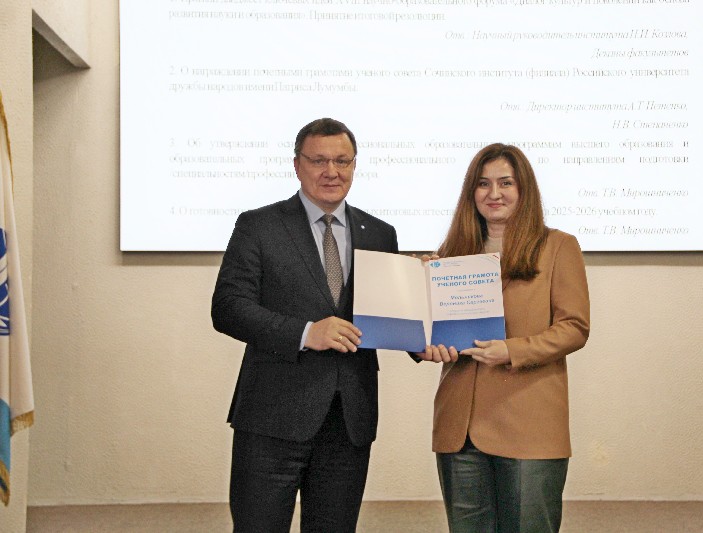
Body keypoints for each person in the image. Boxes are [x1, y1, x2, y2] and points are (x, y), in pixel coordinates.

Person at [211, 118, 399, 532]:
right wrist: (304, 332)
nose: (331, 171)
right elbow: (228, 307)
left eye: (342, 161)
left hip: (348, 421)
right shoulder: (259, 225)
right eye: (318, 161)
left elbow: (388, 316)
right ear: (297, 165)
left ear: (354, 165)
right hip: (272, 417)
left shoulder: (380, 234)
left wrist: (423, 322)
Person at [418, 143, 590, 533]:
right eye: (483, 184)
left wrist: (511, 350)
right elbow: (429, 334)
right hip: (460, 429)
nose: (493, 193)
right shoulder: (450, 255)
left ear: (523, 189)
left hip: (528, 423)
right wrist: (420, 302)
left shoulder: (557, 246)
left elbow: (574, 327)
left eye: (505, 183)